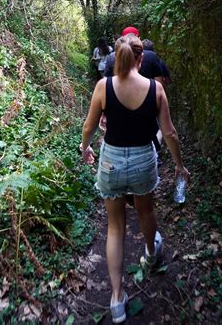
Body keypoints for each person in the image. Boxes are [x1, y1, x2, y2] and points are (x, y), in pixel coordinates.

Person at [81, 35, 190, 323]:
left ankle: (117, 299)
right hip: (143, 160)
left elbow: (90, 126)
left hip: (112, 162)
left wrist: (85, 148)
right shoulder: (155, 89)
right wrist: (179, 165)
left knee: (115, 227)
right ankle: (152, 253)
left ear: (117, 58)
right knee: (146, 212)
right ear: (141, 60)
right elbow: (169, 134)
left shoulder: (103, 86)